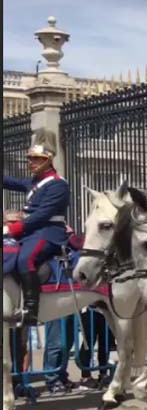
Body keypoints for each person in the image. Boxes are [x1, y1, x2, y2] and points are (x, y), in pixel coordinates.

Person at [3, 135, 70, 327]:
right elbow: (11, 182)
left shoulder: (58, 184)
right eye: (30, 159)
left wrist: (12, 228)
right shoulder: (34, 183)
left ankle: (31, 311)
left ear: (48, 160)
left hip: (49, 232)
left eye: (36, 159)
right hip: (32, 231)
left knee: (26, 258)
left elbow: (42, 214)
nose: (31, 162)